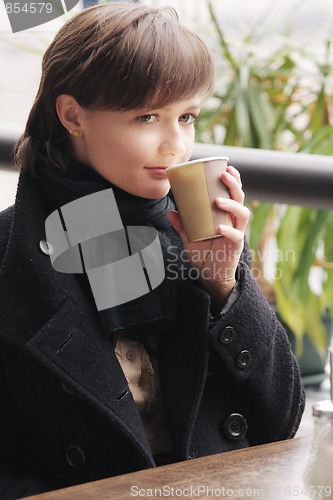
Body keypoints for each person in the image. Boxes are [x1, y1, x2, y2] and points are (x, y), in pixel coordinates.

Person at [0, 3, 305, 499]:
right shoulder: (10, 257)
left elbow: (282, 420)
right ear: (73, 115)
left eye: (187, 116)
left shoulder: (192, 238)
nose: (177, 146)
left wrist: (225, 286)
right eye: (147, 117)